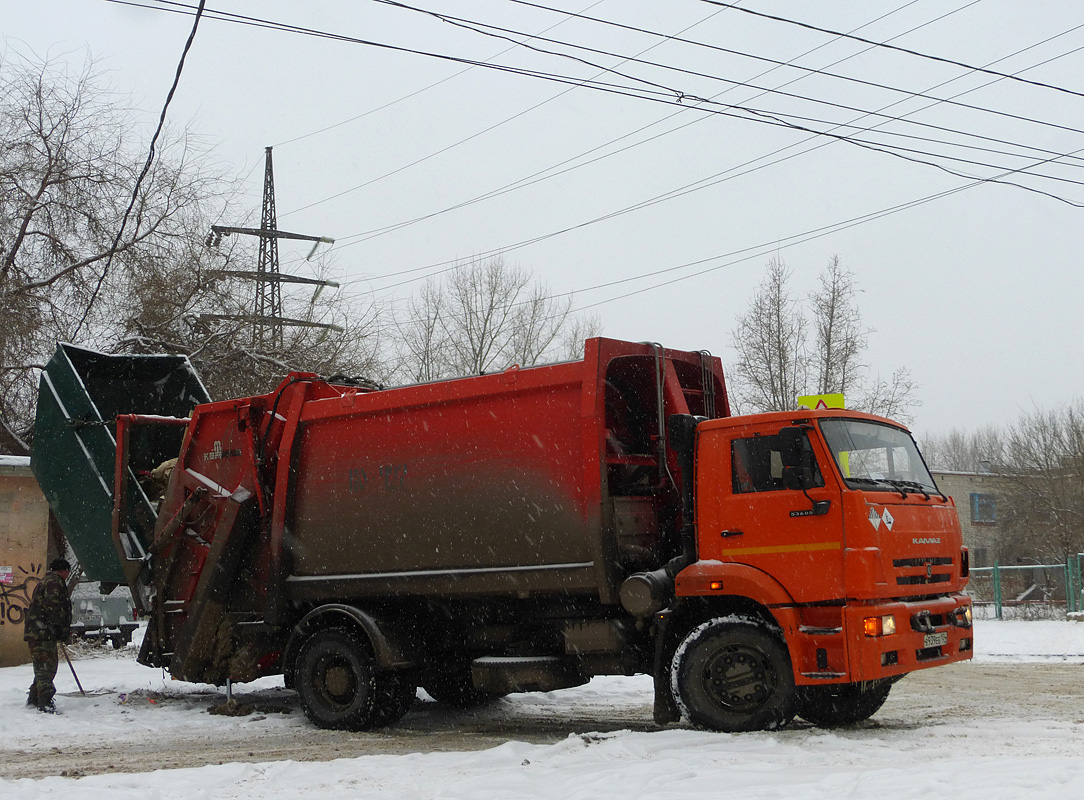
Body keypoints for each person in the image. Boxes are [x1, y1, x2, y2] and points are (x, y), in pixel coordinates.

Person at [23, 558, 73, 713]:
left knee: (43, 666)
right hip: (43, 633)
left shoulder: (47, 581)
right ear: (64, 571)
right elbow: (54, 608)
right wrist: (58, 629)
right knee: (46, 667)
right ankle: (44, 701)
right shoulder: (54, 583)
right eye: (68, 572)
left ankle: (34, 697)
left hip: (40, 631)